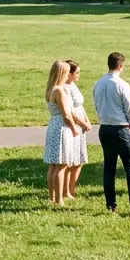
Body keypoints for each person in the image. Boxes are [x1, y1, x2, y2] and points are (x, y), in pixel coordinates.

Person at [92, 52, 130, 213]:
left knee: (109, 167)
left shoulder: (98, 84)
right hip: (120, 127)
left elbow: (97, 105)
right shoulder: (122, 85)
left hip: (105, 127)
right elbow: (129, 108)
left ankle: (110, 203)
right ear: (120, 66)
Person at [42, 61, 84, 206]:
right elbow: (66, 114)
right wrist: (74, 129)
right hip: (62, 127)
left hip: (53, 125)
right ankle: (59, 198)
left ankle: (52, 196)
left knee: (53, 165)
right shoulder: (60, 90)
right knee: (62, 164)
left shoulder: (50, 89)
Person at [63, 60, 92, 199]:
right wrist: (82, 123)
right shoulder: (64, 88)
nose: (79, 75)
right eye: (77, 72)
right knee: (70, 161)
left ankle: (71, 189)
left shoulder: (73, 85)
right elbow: (70, 111)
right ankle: (66, 191)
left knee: (79, 161)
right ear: (69, 74)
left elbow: (79, 106)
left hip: (80, 127)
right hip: (73, 127)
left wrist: (87, 119)